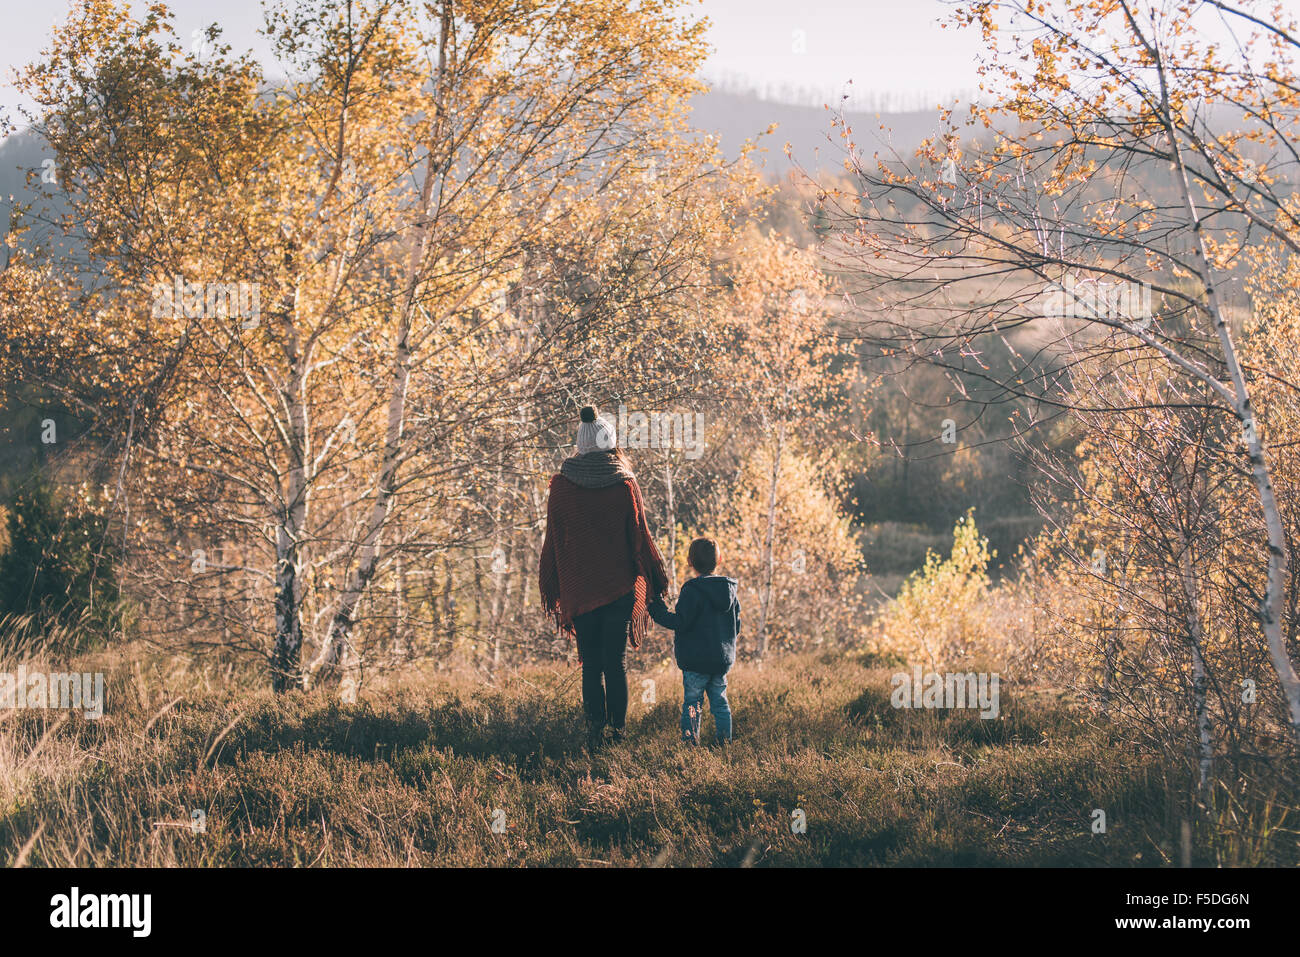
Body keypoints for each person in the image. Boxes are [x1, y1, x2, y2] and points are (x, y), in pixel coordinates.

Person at [539, 406, 669, 749]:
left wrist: (558, 580)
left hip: (580, 590)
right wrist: (653, 578)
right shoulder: (625, 484)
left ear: (580, 444)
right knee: (616, 662)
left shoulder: (562, 488)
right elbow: (639, 538)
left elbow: (554, 541)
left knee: (591, 665)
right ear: (610, 442)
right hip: (619, 588)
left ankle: (594, 734)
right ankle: (618, 734)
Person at [648, 537, 740, 745]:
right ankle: (724, 743)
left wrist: (656, 607)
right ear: (720, 559)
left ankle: (690, 745)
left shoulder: (691, 591)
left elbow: (680, 622)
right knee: (720, 702)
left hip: (695, 661)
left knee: (692, 702)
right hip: (720, 660)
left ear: (689, 561)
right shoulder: (729, 591)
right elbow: (737, 626)